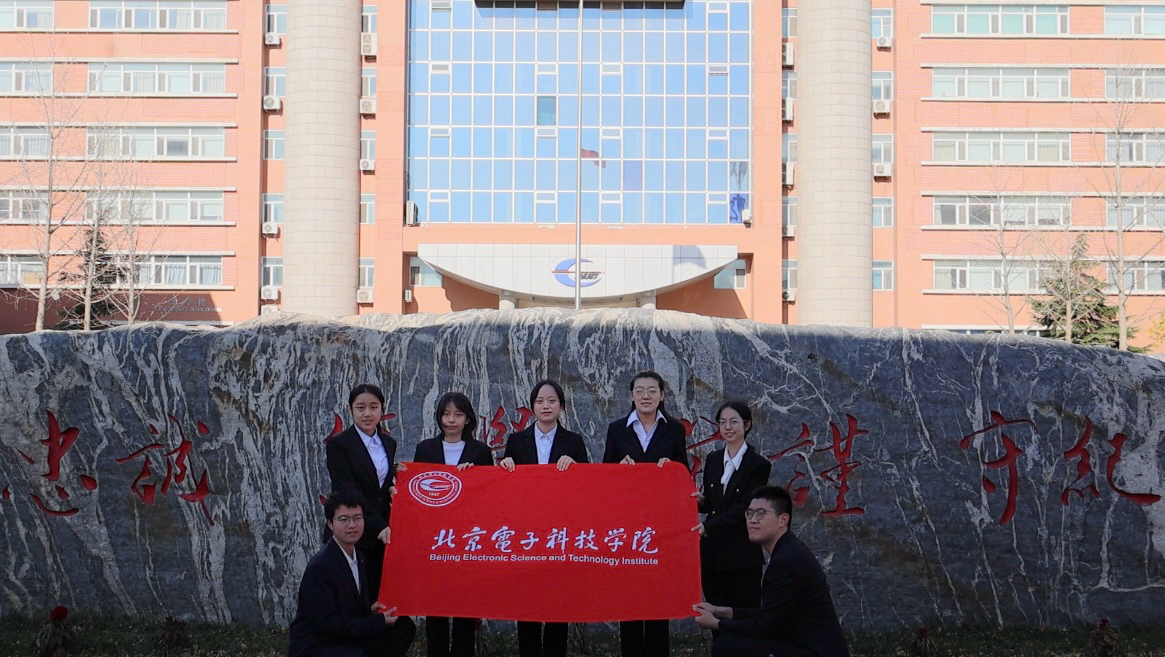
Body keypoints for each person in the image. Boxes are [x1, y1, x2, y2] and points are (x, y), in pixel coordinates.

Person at [693, 486, 850, 657]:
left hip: (814, 650)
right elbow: (769, 613)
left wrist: (716, 624)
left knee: (726, 646)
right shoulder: (787, 549)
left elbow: (765, 626)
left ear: (783, 519)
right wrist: (720, 611)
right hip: (801, 642)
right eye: (749, 513)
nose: (752, 520)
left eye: (761, 514)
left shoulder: (786, 561)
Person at [498, 379, 590, 657]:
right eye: (540, 401)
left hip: (559, 534)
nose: (546, 406)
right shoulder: (517, 441)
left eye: (552, 401)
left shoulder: (573, 441)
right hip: (525, 534)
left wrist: (576, 468)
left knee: (556, 603)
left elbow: (588, 487)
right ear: (532, 406)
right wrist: (505, 465)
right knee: (526, 601)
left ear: (561, 406)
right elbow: (505, 489)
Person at [602, 370, 689, 657]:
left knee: (657, 596)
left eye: (652, 390)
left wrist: (671, 469)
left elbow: (684, 473)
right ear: (631, 396)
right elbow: (604, 475)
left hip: (660, 526)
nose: (646, 396)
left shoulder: (673, 429)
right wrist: (618, 471)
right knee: (629, 597)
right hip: (627, 526)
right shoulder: (617, 429)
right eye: (639, 391)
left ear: (662, 395)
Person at [413, 392, 493, 657]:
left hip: (466, 540)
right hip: (434, 539)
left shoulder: (480, 451)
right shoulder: (425, 449)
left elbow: (490, 494)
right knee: (435, 607)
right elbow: (416, 490)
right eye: (446, 414)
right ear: (439, 417)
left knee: (464, 607)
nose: (451, 420)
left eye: (458, 414)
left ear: (468, 419)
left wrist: (474, 478)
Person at [289, 489, 416, 657]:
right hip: (319, 643)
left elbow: (349, 606)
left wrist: (370, 610)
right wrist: (375, 622)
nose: (352, 525)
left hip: (344, 632)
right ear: (330, 524)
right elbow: (327, 623)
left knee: (403, 627)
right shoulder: (320, 567)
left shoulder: (360, 557)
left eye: (357, 518)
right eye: (344, 519)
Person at [696, 401, 772, 611]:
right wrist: (700, 501)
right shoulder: (713, 459)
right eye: (722, 422)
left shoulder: (758, 465)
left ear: (746, 425)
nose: (727, 427)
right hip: (712, 554)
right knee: (715, 615)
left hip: (741, 554)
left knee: (743, 615)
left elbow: (745, 507)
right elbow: (713, 504)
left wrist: (708, 527)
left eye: (733, 422)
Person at [326, 384, 398, 595]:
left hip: (384, 532)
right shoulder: (339, 444)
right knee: (353, 593)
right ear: (351, 410)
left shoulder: (389, 443)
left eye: (373, 407)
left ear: (381, 409)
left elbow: (379, 485)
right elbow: (347, 489)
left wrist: (396, 486)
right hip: (354, 529)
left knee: (378, 591)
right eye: (360, 408)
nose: (367, 414)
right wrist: (378, 525)